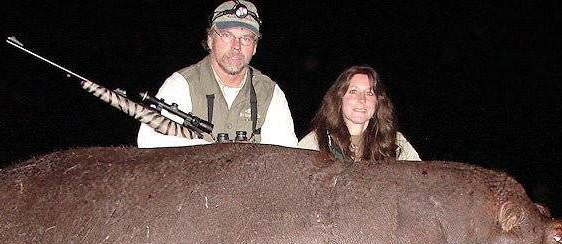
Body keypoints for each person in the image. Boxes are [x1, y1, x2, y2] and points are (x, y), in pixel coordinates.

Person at [138, 1, 297, 148]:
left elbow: (285, 155)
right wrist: (212, 152)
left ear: (254, 47)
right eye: (227, 35)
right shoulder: (181, 84)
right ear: (209, 40)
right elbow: (150, 143)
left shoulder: (269, 92)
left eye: (246, 39)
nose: (236, 46)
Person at [298, 66, 421, 161]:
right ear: (339, 99)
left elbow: (420, 182)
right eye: (353, 91)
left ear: (377, 102)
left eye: (369, 93)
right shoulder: (316, 141)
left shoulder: (396, 142)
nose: (362, 99)